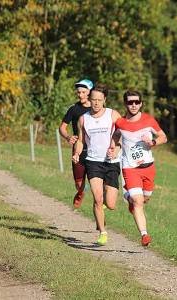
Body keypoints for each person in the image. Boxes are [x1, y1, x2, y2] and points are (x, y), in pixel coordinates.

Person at [108, 90, 167, 247]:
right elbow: (115, 136)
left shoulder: (149, 120)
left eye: (136, 102)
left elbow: (163, 137)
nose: (133, 105)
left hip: (148, 168)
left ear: (141, 103)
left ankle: (128, 198)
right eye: (129, 102)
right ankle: (144, 235)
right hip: (130, 167)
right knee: (138, 201)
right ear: (125, 104)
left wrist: (152, 143)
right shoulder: (120, 122)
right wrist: (113, 147)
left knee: (145, 198)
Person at [72, 84, 121, 246]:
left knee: (111, 204)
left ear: (105, 100)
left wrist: (117, 148)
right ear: (89, 100)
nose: (96, 103)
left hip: (111, 162)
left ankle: (102, 211)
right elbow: (80, 140)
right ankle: (102, 232)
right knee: (97, 199)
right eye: (93, 100)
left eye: (100, 100)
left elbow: (122, 134)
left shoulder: (113, 115)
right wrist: (77, 153)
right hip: (93, 162)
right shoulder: (83, 118)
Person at [59, 79, 93, 209]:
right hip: (78, 148)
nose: (80, 95)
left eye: (83, 92)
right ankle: (80, 192)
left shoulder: (96, 109)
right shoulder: (74, 109)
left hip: (94, 149)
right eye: (78, 92)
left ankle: (99, 203)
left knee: (96, 179)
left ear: (89, 92)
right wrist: (68, 137)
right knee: (79, 184)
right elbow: (62, 127)